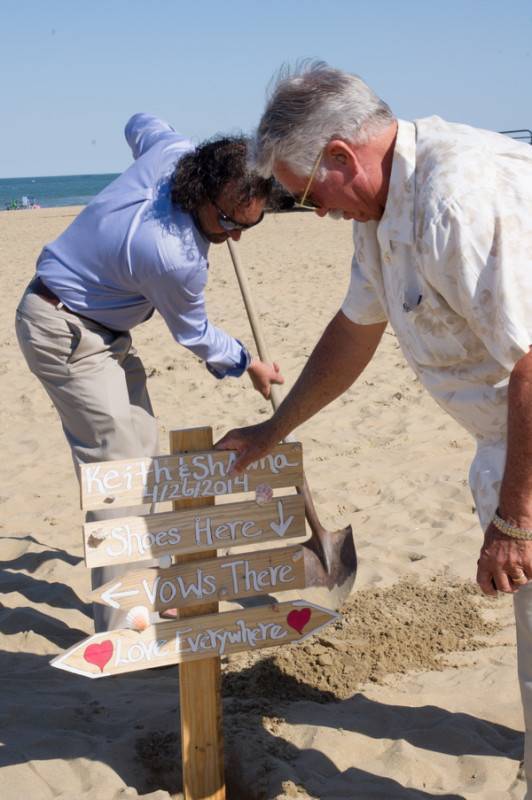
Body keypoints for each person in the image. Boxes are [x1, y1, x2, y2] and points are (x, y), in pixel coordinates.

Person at [215, 62, 532, 793]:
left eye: (305, 195)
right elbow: (356, 330)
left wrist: (515, 521)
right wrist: (274, 430)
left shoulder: (456, 197)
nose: (313, 212)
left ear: (339, 157)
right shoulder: (383, 205)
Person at [15, 113, 284, 631]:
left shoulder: (173, 153)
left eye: (250, 223)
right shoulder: (174, 255)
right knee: (115, 475)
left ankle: (150, 581)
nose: (237, 237)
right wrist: (247, 361)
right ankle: (125, 623)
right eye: (230, 223)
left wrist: (149, 141)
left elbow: (141, 122)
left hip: (103, 332)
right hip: (65, 333)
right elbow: (195, 335)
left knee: (142, 452)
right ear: (201, 195)